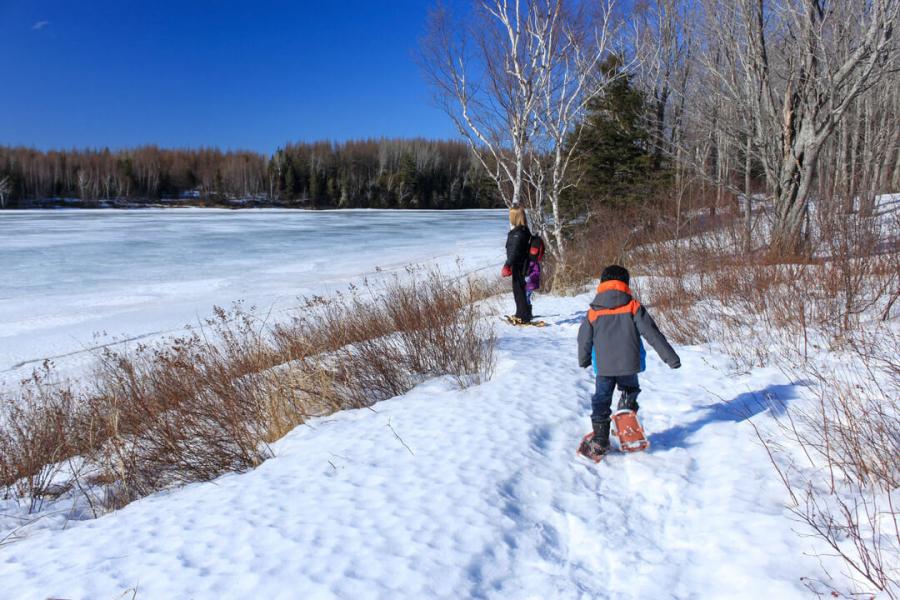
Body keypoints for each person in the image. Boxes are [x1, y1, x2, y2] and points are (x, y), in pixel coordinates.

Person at [577, 265, 681, 456]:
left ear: (602, 284)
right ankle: (626, 408)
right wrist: (671, 358)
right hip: (629, 365)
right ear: (625, 283)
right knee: (630, 389)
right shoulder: (632, 306)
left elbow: (583, 338)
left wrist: (583, 360)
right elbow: (653, 334)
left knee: (601, 399)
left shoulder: (593, 311)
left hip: (604, 368)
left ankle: (600, 438)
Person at [502, 206, 532, 323]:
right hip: (521, 264)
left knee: (518, 290)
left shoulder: (518, 233)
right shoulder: (523, 230)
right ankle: (522, 313)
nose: (509, 218)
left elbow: (514, 251)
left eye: (511, 215)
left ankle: (523, 316)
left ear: (515, 217)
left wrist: (507, 265)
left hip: (519, 265)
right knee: (520, 289)